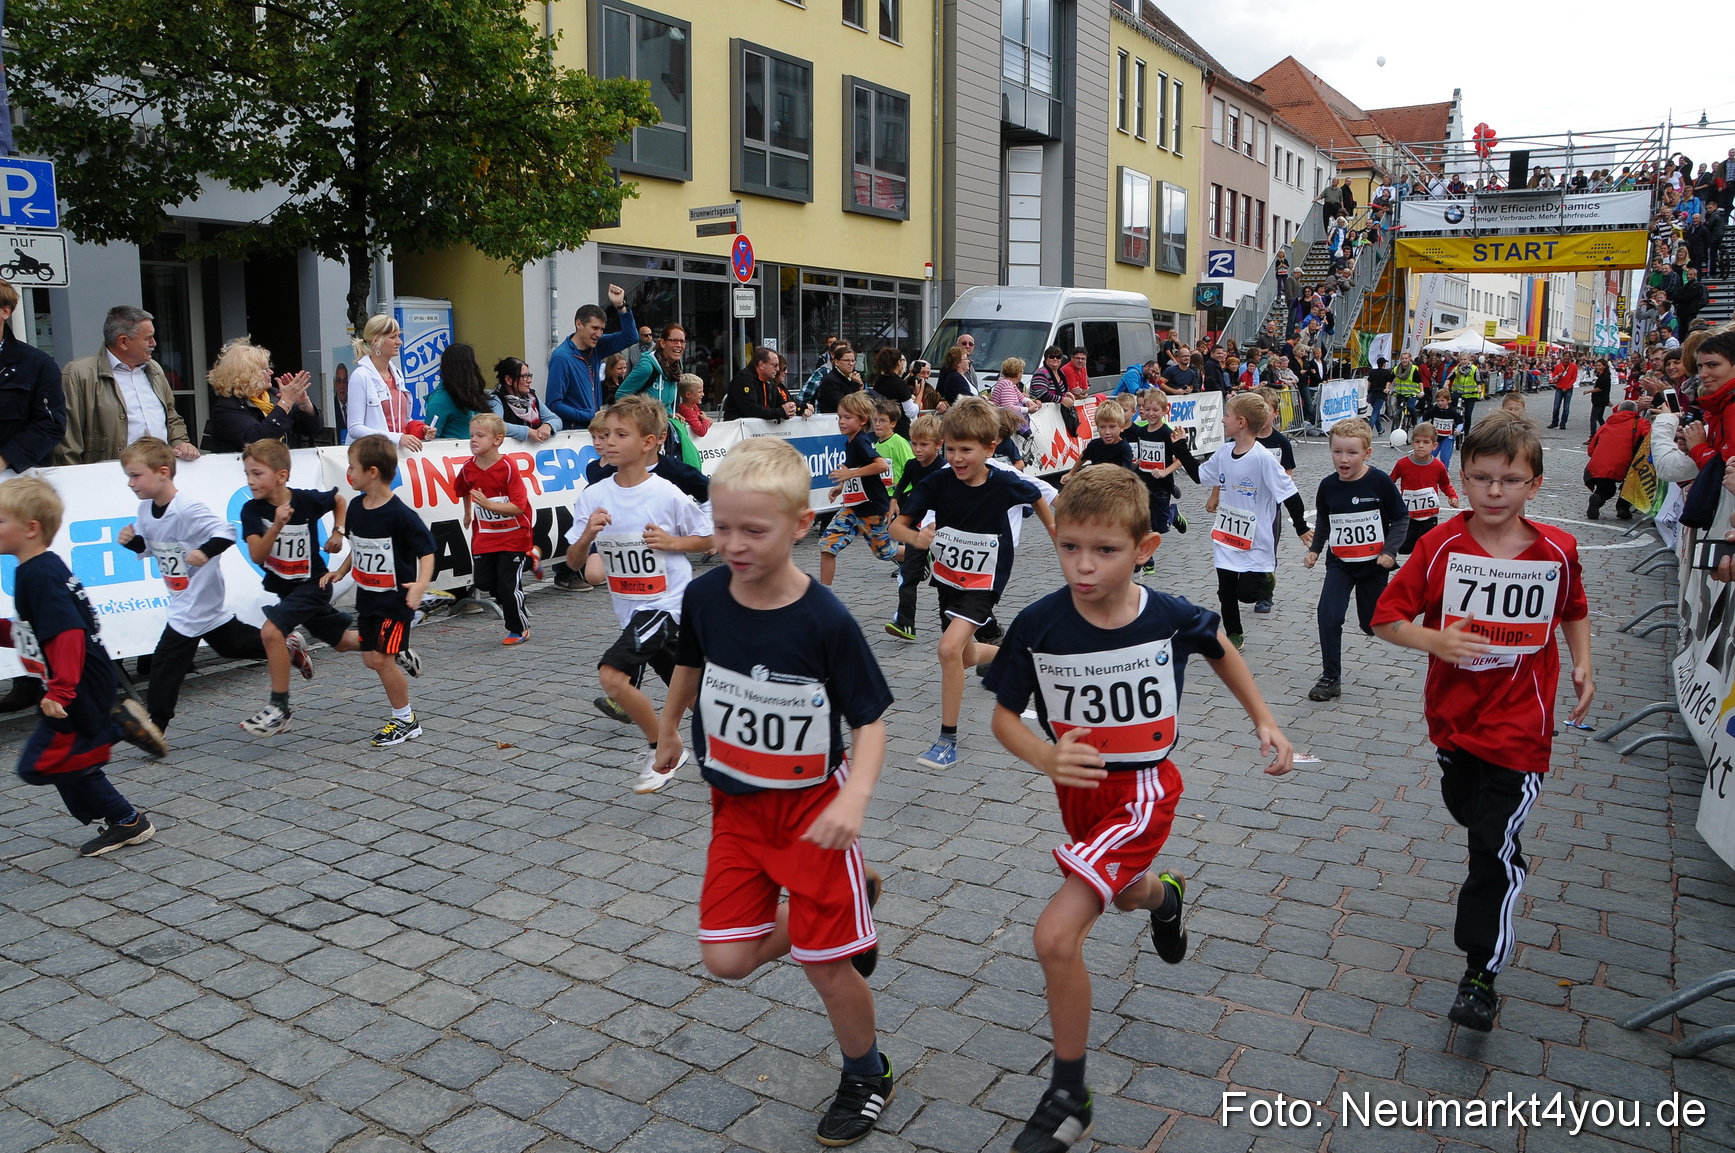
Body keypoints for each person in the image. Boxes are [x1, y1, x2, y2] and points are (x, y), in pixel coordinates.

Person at [984, 465, 1294, 1153]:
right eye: (1069, 547)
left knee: (1054, 935)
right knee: (1124, 893)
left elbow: (1218, 649)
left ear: (1144, 547)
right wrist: (1044, 756)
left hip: (1143, 790)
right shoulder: (1038, 622)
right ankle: (1164, 897)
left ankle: (1068, 1094)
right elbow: (1003, 716)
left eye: (1104, 549)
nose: (1083, 564)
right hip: (1078, 794)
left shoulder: (1166, 613)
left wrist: (1264, 721)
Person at [650, 437, 894, 1148]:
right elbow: (690, 662)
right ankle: (857, 900)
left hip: (812, 811)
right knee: (726, 960)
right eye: (721, 526)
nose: (732, 543)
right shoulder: (702, 593)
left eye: (752, 530)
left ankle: (866, 1070)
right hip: (733, 806)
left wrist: (853, 802)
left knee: (825, 964)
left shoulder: (825, 619)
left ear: (799, 525)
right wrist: (668, 726)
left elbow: (871, 720)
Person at [1372, 414, 1593, 1032]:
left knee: (1490, 850)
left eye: (1510, 480)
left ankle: (1479, 974)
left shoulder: (1556, 550)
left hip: (1522, 727)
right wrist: (1435, 642)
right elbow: (1385, 620)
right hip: (1453, 722)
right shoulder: (1440, 545)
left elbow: (1573, 608)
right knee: (1469, 812)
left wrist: (1583, 666)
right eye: (1482, 479)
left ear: (1536, 485)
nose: (1495, 492)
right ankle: (1495, 845)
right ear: (1462, 479)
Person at [891, 398, 1054, 771]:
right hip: (949, 578)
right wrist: (915, 537)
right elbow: (898, 526)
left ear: (990, 448)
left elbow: (1037, 496)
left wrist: (1054, 532)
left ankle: (947, 738)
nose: (958, 458)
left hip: (986, 579)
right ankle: (1020, 657)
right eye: (951, 449)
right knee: (964, 656)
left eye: (966, 450)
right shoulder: (938, 481)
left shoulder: (1004, 481)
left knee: (948, 650)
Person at [0, 476, 159, 857]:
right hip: (79, 680)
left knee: (38, 765)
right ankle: (123, 819)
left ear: (30, 528)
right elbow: (37, 631)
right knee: (67, 760)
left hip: (77, 685)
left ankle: (116, 729)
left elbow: (68, 633)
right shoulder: (39, 568)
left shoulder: (38, 575)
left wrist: (60, 690)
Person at [563, 395, 713, 793]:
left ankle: (665, 743)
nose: (609, 442)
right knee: (695, 695)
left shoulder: (666, 494)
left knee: (612, 676)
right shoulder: (593, 496)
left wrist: (673, 543)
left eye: (620, 434)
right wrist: (588, 536)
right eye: (606, 434)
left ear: (649, 442)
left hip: (667, 605)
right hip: (631, 609)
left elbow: (710, 538)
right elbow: (575, 562)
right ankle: (735, 754)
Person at [114, 437, 272, 735]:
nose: (131, 483)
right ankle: (283, 644)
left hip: (196, 599)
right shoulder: (146, 510)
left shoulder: (187, 507)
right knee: (233, 645)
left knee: (166, 659)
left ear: (162, 472)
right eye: (128, 477)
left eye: (136, 476)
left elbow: (225, 532)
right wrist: (132, 541)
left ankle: (155, 725)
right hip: (185, 596)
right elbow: (150, 546)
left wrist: (204, 552)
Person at [237, 438, 360, 738]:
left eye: (257, 473)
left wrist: (338, 532)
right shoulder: (251, 511)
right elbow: (257, 555)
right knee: (343, 642)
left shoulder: (304, 500)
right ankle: (392, 642)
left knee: (270, 631)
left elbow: (338, 501)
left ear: (281, 475)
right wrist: (276, 526)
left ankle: (280, 709)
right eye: (248, 475)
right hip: (286, 590)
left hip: (315, 584)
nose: (251, 481)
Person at [320, 435, 435, 747]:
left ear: (372, 472)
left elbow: (427, 552)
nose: (348, 473)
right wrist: (340, 572)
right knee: (371, 659)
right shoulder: (356, 507)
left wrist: (422, 584)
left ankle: (406, 720)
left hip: (395, 601)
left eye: (352, 467)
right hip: (368, 598)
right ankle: (400, 653)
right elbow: (357, 548)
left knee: (381, 661)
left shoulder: (400, 515)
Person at [1302, 418, 1407, 702]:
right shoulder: (1328, 486)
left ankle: (1370, 621)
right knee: (1328, 615)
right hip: (1340, 563)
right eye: (1337, 452)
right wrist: (1315, 549)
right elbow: (1325, 520)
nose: (1343, 459)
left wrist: (1389, 551)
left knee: (1371, 622)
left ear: (1367, 453)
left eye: (1351, 453)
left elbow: (1400, 517)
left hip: (1374, 565)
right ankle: (1330, 677)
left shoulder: (1379, 482)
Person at [1201, 394, 1312, 650]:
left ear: (1240, 422)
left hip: (1256, 534)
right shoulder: (1224, 450)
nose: (1222, 419)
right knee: (1225, 590)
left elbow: (1290, 494)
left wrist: (1301, 527)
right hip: (1226, 533)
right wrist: (1180, 447)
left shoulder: (1263, 457)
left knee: (1247, 595)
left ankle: (1266, 578)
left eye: (1226, 415)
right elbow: (1200, 475)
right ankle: (1234, 634)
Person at [57, 305, 199, 465]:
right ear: (123, 342)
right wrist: (75, 480)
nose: (154, 343)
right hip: (107, 479)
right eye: (148, 338)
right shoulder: (79, 374)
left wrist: (180, 441)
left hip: (158, 475)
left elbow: (171, 416)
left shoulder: (155, 369)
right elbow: (68, 440)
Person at [819, 391, 900, 588]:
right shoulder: (851, 442)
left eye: (848, 417)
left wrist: (849, 476)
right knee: (828, 545)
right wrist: (840, 486)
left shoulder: (862, 441)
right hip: (852, 508)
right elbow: (852, 468)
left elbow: (881, 465)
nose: (842, 422)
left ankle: (918, 554)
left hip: (872, 508)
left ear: (863, 420)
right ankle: (823, 594)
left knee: (884, 552)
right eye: (839, 417)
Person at [883, 413, 946, 643]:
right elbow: (901, 484)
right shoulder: (912, 464)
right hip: (915, 526)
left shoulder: (944, 469)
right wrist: (894, 501)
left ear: (939, 445)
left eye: (923, 444)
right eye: (914, 443)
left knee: (947, 581)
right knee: (907, 574)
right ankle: (905, 623)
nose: (917, 449)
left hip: (941, 527)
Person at [204, 337, 320, 452]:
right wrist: (286, 403)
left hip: (282, 466)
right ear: (247, 374)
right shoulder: (227, 407)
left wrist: (304, 403)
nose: (271, 372)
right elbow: (257, 440)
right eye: (264, 370)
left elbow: (314, 429)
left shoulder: (274, 394)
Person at [547, 285, 636, 429]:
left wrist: (620, 306)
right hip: (573, 436)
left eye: (602, 329)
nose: (599, 334)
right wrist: (589, 415)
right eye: (594, 328)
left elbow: (630, 337)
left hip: (595, 431)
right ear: (579, 324)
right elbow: (554, 404)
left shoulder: (596, 347)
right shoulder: (561, 357)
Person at [1127, 390, 1196, 545]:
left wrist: (1166, 471)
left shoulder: (1167, 433)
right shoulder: (1141, 431)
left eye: (1156, 410)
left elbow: (1181, 459)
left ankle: (1174, 513)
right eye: (1148, 409)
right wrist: (1139, 462)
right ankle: (1144, 558)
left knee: (1161, 528)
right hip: (1144, 483)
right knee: (1144, 521)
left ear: (1165, 411)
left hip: (1161, 485)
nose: (1151, 414)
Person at [346, 315, 421, 452]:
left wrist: (421, 429)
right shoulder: (361, 376)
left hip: (395, 455)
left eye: (398, 336)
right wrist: (397, 438)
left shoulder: (397, 374)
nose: (399, 342)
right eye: (393, 337)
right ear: (376, 341)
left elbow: (403, 421)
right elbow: (354, 428)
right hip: (371, 456)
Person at [1390, 423, 1459, 556]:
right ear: (1412, 443)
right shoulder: (1402, 464)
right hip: (1408, 515)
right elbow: (1389, 482)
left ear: (1434, 446)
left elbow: (1445, 484)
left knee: (1427, 548)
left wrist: (1452, 496)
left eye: (1426, 442)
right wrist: (1393, 497)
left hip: (1429, 515)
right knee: (1404, 548)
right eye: (1417, 442)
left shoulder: (1438, 466)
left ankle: (1421, 571)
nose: (1421, 446)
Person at [1584, 401, 1650, 520]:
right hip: (1627, 463)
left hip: (1600, 463)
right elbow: (1649, 440)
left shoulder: (1607, 424)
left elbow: (1591, 449)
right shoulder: (1641, 423)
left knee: (1606, 489)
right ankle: (1622, 507)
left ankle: (1597, 498)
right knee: (1631, 484)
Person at [423, 343, 494, 439]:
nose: (476, 367)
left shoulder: (473, 394)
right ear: (464, 367)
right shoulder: (440, 400)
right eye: (472, 363)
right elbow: (430, 441)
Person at [1061, 399, 1134, 484]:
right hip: (1096, 485)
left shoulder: (1124, 449)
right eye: (1102, 427)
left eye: (1112, 427)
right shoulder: (1094, 445)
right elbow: (1084, 456)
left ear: (1121, 427)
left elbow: (1127, 475)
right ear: (1097, 428)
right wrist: (1071, 473)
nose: (1107, 432)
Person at [618, 323, 686, 411]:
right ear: (663, 343)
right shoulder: (647, 367)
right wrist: (641, 416)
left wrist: (669, 414)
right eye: (674, 341)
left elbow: (666, 404)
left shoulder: (676, 369)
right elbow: (621, 396)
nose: (679, 345)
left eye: (682, 341)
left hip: (660, 423)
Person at [492, 357, 561, 443]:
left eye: (529, 375)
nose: (529, 381)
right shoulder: (496, 399)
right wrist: (527, 432)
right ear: (508, 380)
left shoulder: (531, 398)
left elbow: (556, 419)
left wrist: (548, 425)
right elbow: (496, 426)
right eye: (524, 376)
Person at [723, 347, 798, 421]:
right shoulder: (744, 379)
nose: (778, 369)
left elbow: (781, 403)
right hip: (740, 430)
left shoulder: (770, 382)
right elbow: (751, 409)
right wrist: (781, 412)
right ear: (761, 365)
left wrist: (794, 409)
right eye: (775, 365)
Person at [869, 347, 915, 436]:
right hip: (901, 430)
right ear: (898, 362)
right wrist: (920, 393)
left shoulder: (878, 382)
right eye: (902, 360)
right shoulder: (900, 384)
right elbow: (911, 412)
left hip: (885, 431)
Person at [871, 398, 913, 492]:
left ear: (892, 423)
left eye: (882, 421)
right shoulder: (875, 446)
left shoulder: (899, 442)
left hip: (902, 493)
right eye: (875, 420)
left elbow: (911, 467)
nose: (877, 424)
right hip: (884, 494)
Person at [816, 342, 864, 415]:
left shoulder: (854, 376)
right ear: (836, 362)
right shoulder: (830, 380)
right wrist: (854, 384)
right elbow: (844, 405)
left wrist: (860, 386)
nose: (851, 364)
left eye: (853, 361)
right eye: (846, 360)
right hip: (833, 421)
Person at [1424, 388, 1462, 468]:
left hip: (1448, 437)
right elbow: (1423, 419)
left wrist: (1458, 430)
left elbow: (1460, 423)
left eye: (1442, 401)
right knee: (1430, 456)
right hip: (1435, 438)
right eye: (1438, 401)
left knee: (1445, 457)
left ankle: (1444, 474)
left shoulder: (1452, 412)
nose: (1440, 403)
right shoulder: (1434, 410)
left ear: (1448, 401)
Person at [676, 374, 711, 438]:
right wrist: (706, 420)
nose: (703, 394)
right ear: (688, 394)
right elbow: (701, 431)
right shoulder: (686, 411)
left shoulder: (694, 407)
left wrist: (703, 420)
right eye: (700, 392)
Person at [1366, 357, 1394, 433]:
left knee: (1376, 411)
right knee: (1375, 413)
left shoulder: (1372, 372)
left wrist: (1368, 393)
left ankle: (1379, 429)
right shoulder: (1387, 373)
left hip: (1372, 393)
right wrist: (1387, 392)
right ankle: (1369, 430)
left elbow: (1369, 383)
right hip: (1381, 394)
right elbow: (1388, 383)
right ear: (1384, 364)